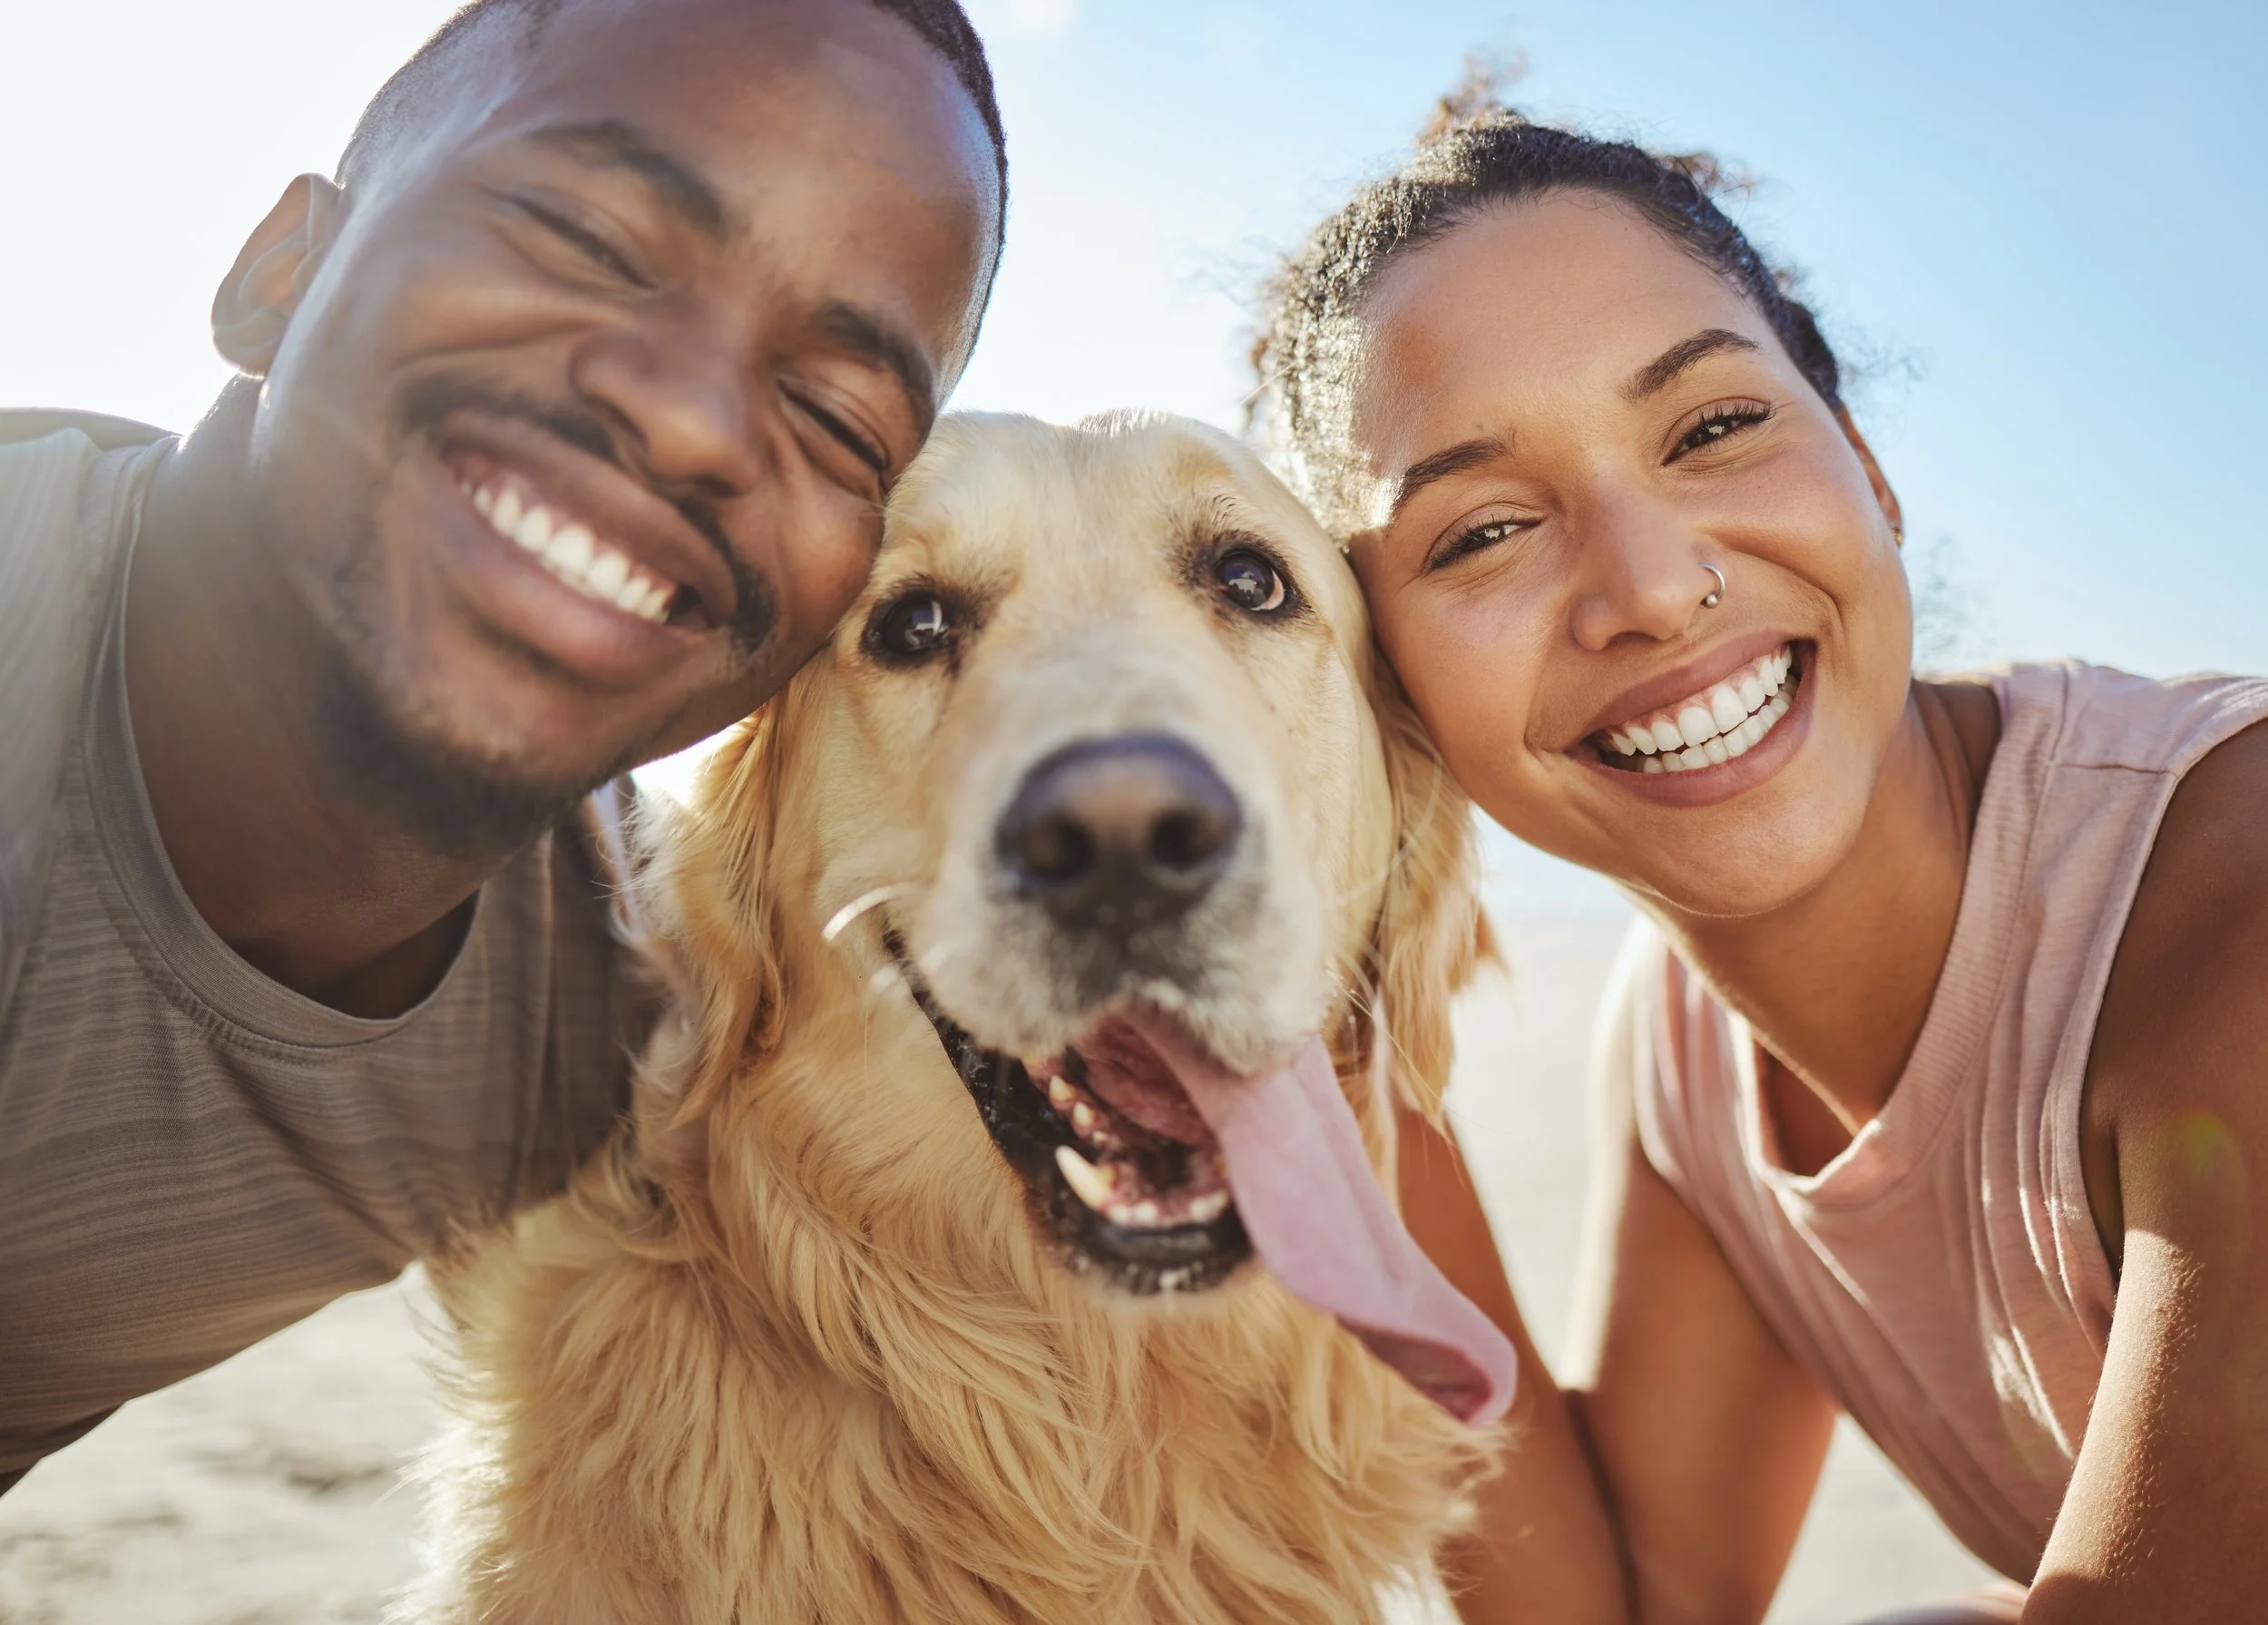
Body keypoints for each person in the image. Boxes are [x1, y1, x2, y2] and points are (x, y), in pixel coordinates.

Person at [1255, 96, 2268, 1624]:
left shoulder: (2232, 913)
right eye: (1482, 532)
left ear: (1865, 462)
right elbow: (1631, 1609)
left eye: (1714, 428)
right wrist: (1332, 1055)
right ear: (1386, 686)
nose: (1653, 589)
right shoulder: (1688, 1053)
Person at [0, 0, 1005, 1496]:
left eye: (836, 416)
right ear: (281, 275)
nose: (690, 420)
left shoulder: (642, 1016)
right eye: (582, 240)